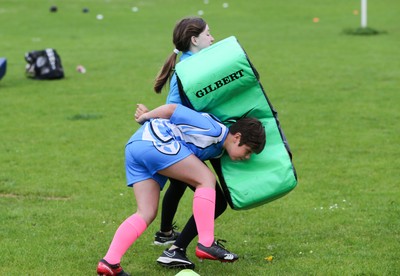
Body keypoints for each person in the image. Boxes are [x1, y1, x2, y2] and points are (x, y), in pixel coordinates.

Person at [96, 103, 266, 275]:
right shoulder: (215, 129)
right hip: (153, 143)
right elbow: (172, 110)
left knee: (146, 212)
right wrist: (144, 117)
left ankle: (110, 262)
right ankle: (206, 243)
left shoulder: (217, 149)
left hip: (135, 147)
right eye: (248, 151)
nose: (247, 157)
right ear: (237, 137)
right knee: (206, 179)